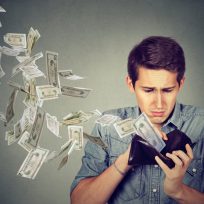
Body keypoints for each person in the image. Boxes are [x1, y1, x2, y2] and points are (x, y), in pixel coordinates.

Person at [70, 36, 204, 204]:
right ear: (130, 84)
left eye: (168, 90)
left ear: (181, 84)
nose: (159, 103)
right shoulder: (107, 128)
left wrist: (179, 191)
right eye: (148, 90)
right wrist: (126, 159)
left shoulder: (201, 125)